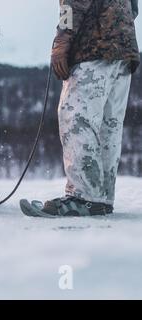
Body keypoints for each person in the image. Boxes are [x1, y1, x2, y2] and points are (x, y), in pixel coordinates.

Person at [43, 0, 140, 216]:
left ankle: (83, 196)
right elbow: (133, 8)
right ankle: (100, 199)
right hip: (123, 50)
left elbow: (71, 4)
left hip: (93, 48)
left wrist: (61, 40)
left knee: (76, 118)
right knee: (108, 126)